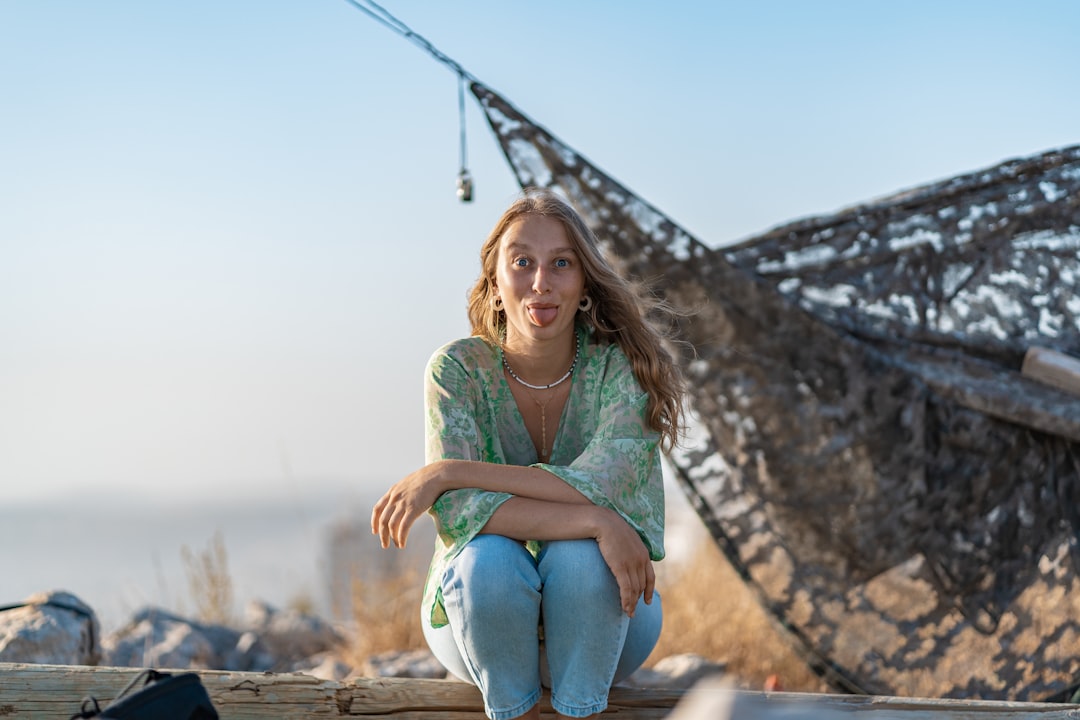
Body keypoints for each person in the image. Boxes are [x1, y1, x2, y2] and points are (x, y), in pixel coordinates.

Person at [370, 188, 685, 720]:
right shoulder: (457, 371)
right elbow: (463, 515)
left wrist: (447, 472)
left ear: (584, 282)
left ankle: (581, 709)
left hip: (611, 618)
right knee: (488, 560)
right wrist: (598, 521)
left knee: (584, 562)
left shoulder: (619, 371)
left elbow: (606, 487)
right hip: (481, 618)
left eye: (561, 263)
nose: (541, 282)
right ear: (495, 284)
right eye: (522, 263)